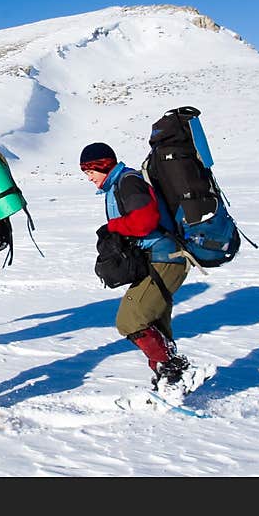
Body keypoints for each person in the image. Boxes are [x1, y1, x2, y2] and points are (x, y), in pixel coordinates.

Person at [80, 142, 195, 396]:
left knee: (130, 320)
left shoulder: (127, 182)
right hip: (161, 259)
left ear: (102, 165)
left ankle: (176, 370)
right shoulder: (119, 184)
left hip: (164, 259)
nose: (88, 178)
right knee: (155, 323)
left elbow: (144, 223)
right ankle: (170, 382)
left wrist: (113, 228)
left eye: (89, 171)